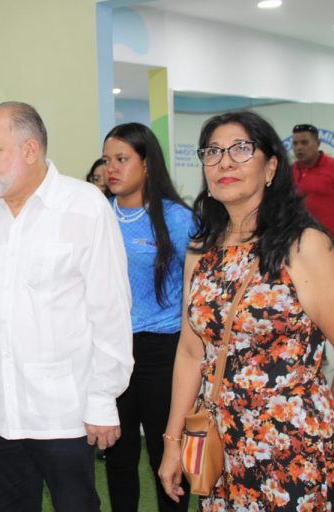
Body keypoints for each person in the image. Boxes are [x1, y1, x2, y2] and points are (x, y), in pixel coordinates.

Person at [0, 101, 134, 512]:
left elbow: (110, 313)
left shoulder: (84, 206)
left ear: (29, 150)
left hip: (64, 414)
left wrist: (103, 398)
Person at [158, 111, 334, 509]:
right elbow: (191, 353)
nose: (225, 162)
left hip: (294, 449)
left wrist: (331, 421)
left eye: (241, 149)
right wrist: (172, 441)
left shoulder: (303, 246)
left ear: (271, 167)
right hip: (220, 443)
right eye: (213, 151)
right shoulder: (201, 252)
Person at [101, 123, 192, 512]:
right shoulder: (97, 215)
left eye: (122, 159)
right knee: (118, 456)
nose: (111, 168)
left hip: (162, 351)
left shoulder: (176, 219)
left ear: (147, 164)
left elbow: (198, 289)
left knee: (165, 453)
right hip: (110, 348)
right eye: (107, 160)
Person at [291, 123, 334, 256]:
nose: (299, 148)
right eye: (295, 143)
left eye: (304, 143)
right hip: (298, 241)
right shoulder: (289, 171)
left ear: (318, 143)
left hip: (333, 241)